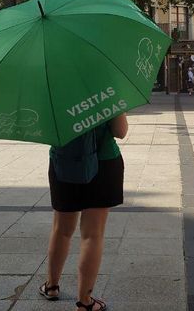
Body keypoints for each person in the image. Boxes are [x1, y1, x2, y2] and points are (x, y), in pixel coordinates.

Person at [40, 114, 128, 311]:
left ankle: (52, 286)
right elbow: (120, 131)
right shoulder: (107, 86)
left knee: (61, 230)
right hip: (104, 162)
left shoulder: (52, 86)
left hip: (64, 161)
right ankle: (85, 302)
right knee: (92, 235)